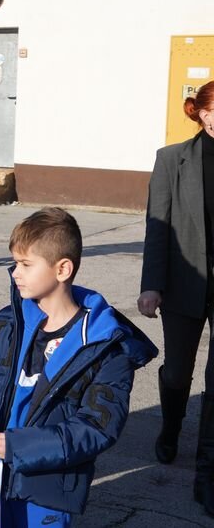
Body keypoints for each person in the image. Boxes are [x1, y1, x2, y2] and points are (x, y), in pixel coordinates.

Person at [0, 208, 156, 527]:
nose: (15, 272)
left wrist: (20, 447)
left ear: (62, 269)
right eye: (15, 262)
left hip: (46, 492)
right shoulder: (7, 322)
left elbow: (98, 426)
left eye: (26, 264)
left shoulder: (105, 344)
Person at [138, 80, 214, 517]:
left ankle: (206, 467)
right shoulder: (172, 160)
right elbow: (157, 227)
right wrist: (152, 284)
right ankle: (170, 428)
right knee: (178, 371)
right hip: (184, 283)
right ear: (202, 113)